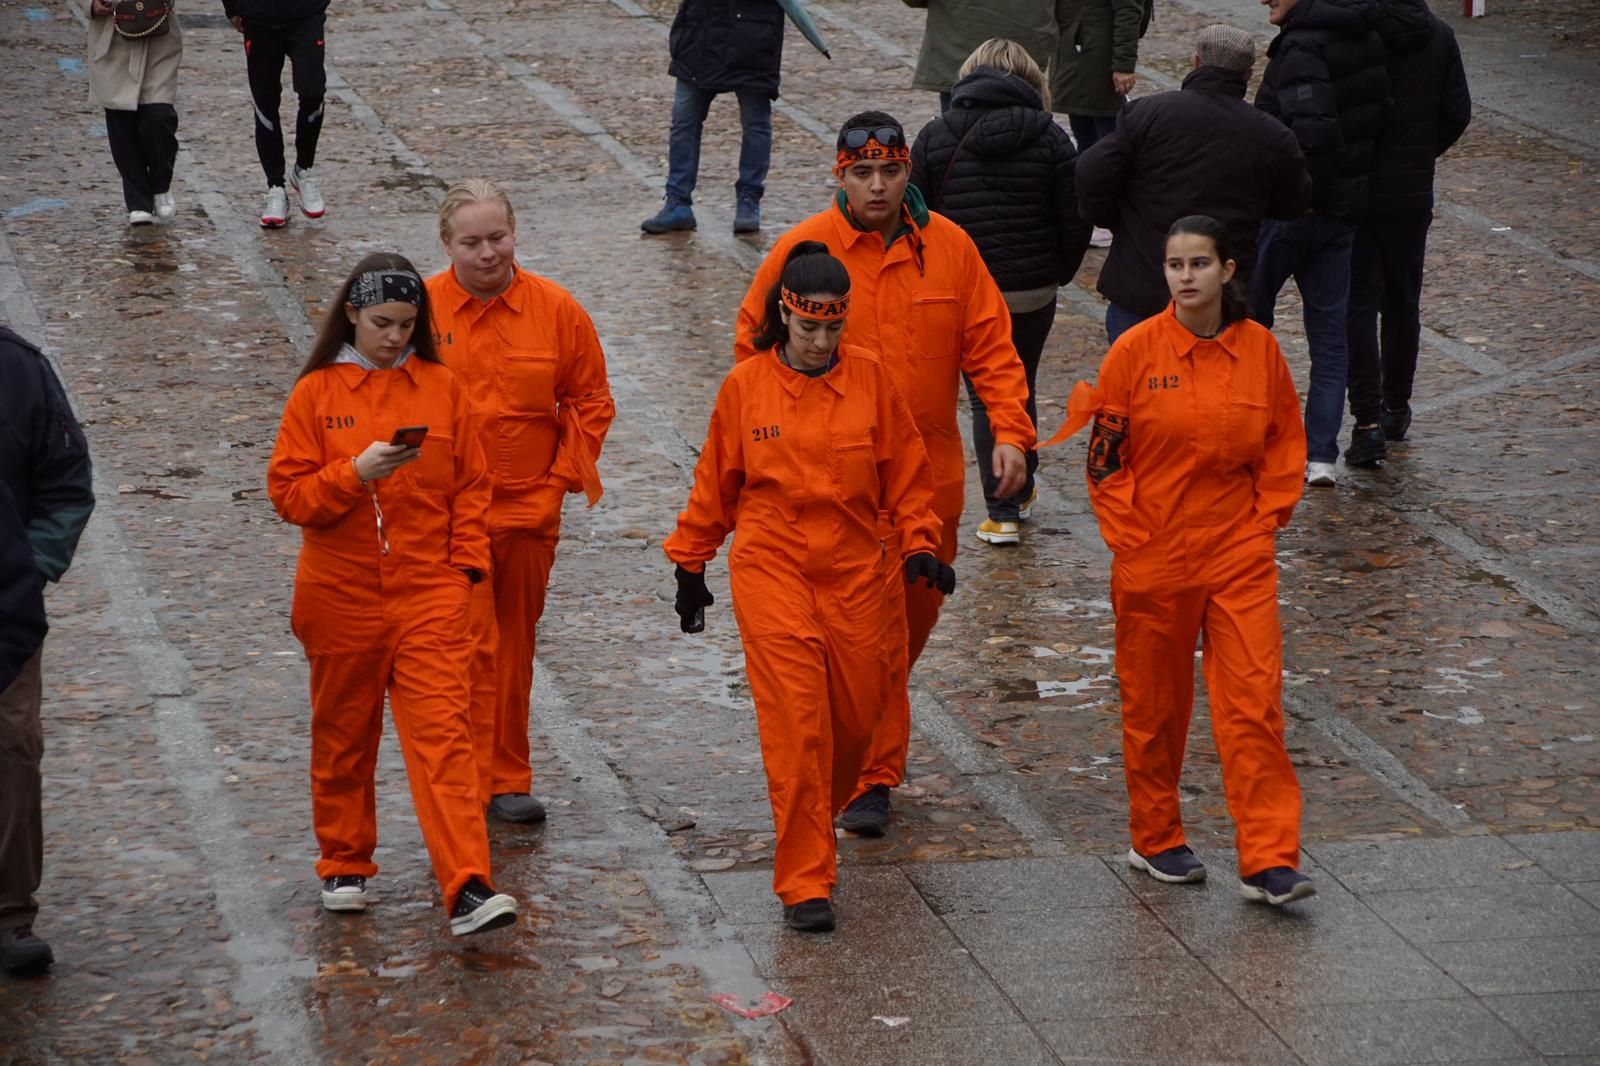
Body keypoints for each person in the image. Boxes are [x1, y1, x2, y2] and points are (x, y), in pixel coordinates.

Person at [734, 111, 1031, 839]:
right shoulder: (802, 252)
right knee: (869, 643)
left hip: (929, 487)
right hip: (836, 497)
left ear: (908, 172)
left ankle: (863, 758)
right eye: (861, 173)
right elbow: (752, 348)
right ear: (839, 174)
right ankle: (871, 776)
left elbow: (993, 347)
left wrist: (1013, 435)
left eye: (889, 171)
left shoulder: (952, 250)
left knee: (899, 638)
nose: (877, 185)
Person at [666, 243, 947, 932]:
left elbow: (908, 475)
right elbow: (717, 483)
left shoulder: (873, 381)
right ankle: (805, 880)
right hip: (774, 570)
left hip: (856, 570)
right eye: (808, 328)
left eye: (833, 329)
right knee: (798, 726)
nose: (821, 342)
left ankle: (817, 817)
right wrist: (691, 563)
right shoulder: (746, 388)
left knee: (856, 718)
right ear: (784, 317)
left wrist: (920, 542)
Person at [1048, 215, 1314, 907]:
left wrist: (1265, 522)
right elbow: (1105, 463)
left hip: (1238, 555)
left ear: (1228, 270)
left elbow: (1285, 441)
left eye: (1199, 263)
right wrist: (1133, 539)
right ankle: (1156, 835)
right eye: (1175, 265)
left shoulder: (1260, 352)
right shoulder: (1134, 354)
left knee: (1254, 704)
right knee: (1155, 707)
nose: (1185, 276)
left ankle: (1268, 857)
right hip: (1155, 555)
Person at [266, 252, 518, 937]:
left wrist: (465, 570)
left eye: (407, 324)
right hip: (339, 594)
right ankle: (344, 859)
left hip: (429, 593)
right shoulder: (315, 394)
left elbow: (473, 485)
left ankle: (468, 884)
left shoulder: (443, 388)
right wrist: (354, 473)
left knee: (446, 739)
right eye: (382, 323)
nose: (394, 336)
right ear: (352, 313)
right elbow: (289, 496)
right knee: (343, 735)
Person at [426, 180, 615, 826]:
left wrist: (558, 483)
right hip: (447, 516)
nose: (487, 254)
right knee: (463, 646)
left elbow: (590, 401)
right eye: (472, 242)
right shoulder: (421, 310)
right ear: (446, 244)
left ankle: (506, 775)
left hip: (528, 513)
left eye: (497, 238)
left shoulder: (556, 309)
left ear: (515, 234)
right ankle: (462, 774)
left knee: (512, 648)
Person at [910, 39, 1092, 545]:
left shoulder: (935, 136)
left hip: (965, 291)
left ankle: (1003, 507)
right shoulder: (1053, 140)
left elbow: (916, 219)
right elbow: (1074, 218)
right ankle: (1022, 484)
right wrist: (1058, 271)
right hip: (1031, 292)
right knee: (1019, 384)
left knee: (986, 397)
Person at [1077, 24, 1312, 344]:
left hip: (1141, 286)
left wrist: (1114, 220)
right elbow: (1293, 202)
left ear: (1196, 62)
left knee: (1134, 388)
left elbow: (1090, 171)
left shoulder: (1148, 113)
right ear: (1247, 74)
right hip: (1219, 301)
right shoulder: (1272, 136)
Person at [1251, 0, 1389, 487]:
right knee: (1330, 338)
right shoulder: (1367, 36)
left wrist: (1300, 198)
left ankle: (1256, 440)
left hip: (1297, 211)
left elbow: (1312, 132)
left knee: (1249, 327)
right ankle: (1321, 455)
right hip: (1343, 213)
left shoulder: (1302, 44)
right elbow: (1382, 120)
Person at [0, 327, 95, 975]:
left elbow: (66, 480)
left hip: (3, 609)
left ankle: (10, 909)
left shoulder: (19, 368)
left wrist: (29, 569)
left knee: (11, 746)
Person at [1344, 0, 1470, 465]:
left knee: (1358, 305)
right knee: (1402, 302)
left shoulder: (1357, 34)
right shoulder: (1439, 36)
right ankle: (1396, 405)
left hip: (1360, 190)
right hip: (1411, 195)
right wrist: (1419, 155)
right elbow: (1458, 112)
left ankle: (1367, 419)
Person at [641, 0, 785, 235]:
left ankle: (748, 200)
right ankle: (677, 203)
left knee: (755, 123)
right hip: (700, 31)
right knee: (683, 122)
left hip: (753, 33)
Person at [222, 0, 330, 228]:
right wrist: (232, 8)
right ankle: (275, 187)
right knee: (265, 101)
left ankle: (303, 169)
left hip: (305, 16)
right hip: (258, 19)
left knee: (313, 91)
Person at [1050, 0, 1144, 246]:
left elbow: (1128, 12)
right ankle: (1087, 215)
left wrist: (1123, 63)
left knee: (1108, 146)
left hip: (1098, 62)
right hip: (1077, 55)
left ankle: (1106, 217)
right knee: (1087, 140)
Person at [87, 0, 183, 225]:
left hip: (158, 33)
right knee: (121, 122)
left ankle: (161, 185)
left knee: (159, 116)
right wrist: (90, 4)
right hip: (112, 37)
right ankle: (138, 201)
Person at [906, 0, 1056, 113]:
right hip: (1026, 38)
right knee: (1027, 123)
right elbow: (1069, 9)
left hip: (958, 40)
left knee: (956, 131)